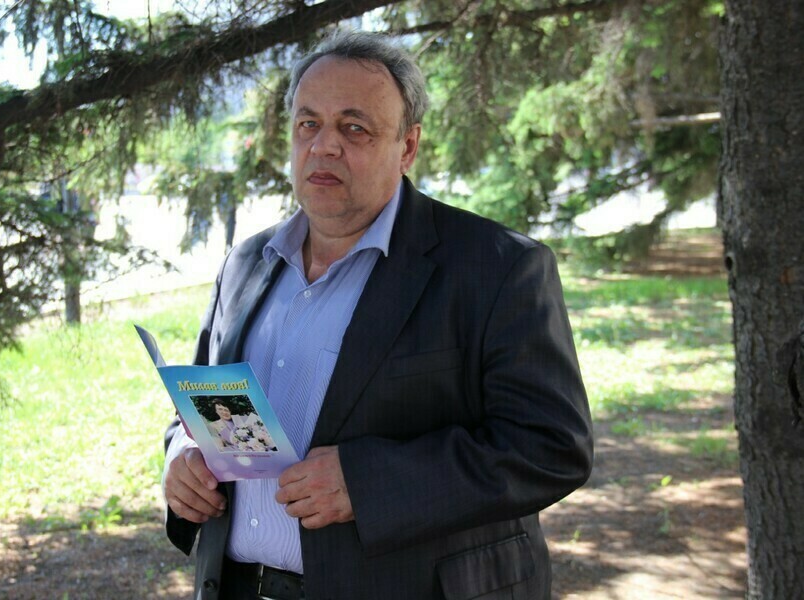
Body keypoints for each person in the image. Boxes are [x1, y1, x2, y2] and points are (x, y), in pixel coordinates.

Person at [162, 30, 593, 600]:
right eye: (308, 123)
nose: (324, 146)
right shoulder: (245, 263)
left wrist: (368, 483)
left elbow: (551, 447)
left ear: (407, 146)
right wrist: (183, 457)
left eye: (354, 128)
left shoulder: (496, 267)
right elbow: (199, 409)